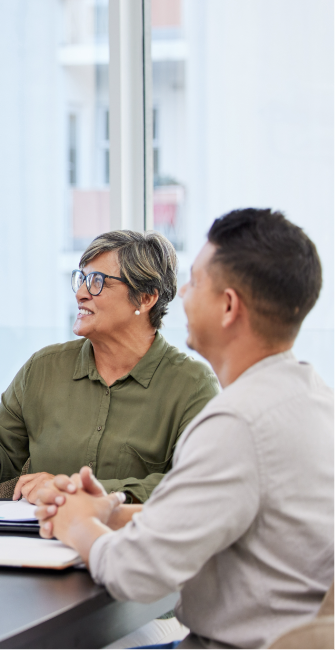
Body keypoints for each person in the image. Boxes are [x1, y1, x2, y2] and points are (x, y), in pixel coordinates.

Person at [34, 208, 333, 649]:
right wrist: (112, 513)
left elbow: (134, 574)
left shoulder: (236, 423)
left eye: (194, 282)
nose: (184, 297)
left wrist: (77, 524)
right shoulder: (313, 400)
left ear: (228, 306)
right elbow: (225, 518)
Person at [0, 230, 219, 504]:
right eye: (82, 279)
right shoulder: (44, 368)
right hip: (35, 543)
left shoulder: (192, 384)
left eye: (98, 281)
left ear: (146, 298)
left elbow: (197, 483)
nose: (81, 294)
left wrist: (78, 491)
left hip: (128, 544)